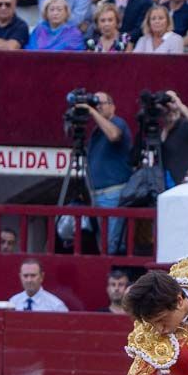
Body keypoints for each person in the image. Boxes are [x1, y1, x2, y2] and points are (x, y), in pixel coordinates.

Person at [80, 91, 131, 254]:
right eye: (96, 104)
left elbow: (114, 135)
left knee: (112, 243)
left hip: (113, 193)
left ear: (112, 106)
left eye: (101, 103)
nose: (97, 107)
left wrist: (92, 112)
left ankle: (116, 276)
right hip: (96, 194)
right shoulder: (97, 130)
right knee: (101, 242)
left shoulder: (118, 122)